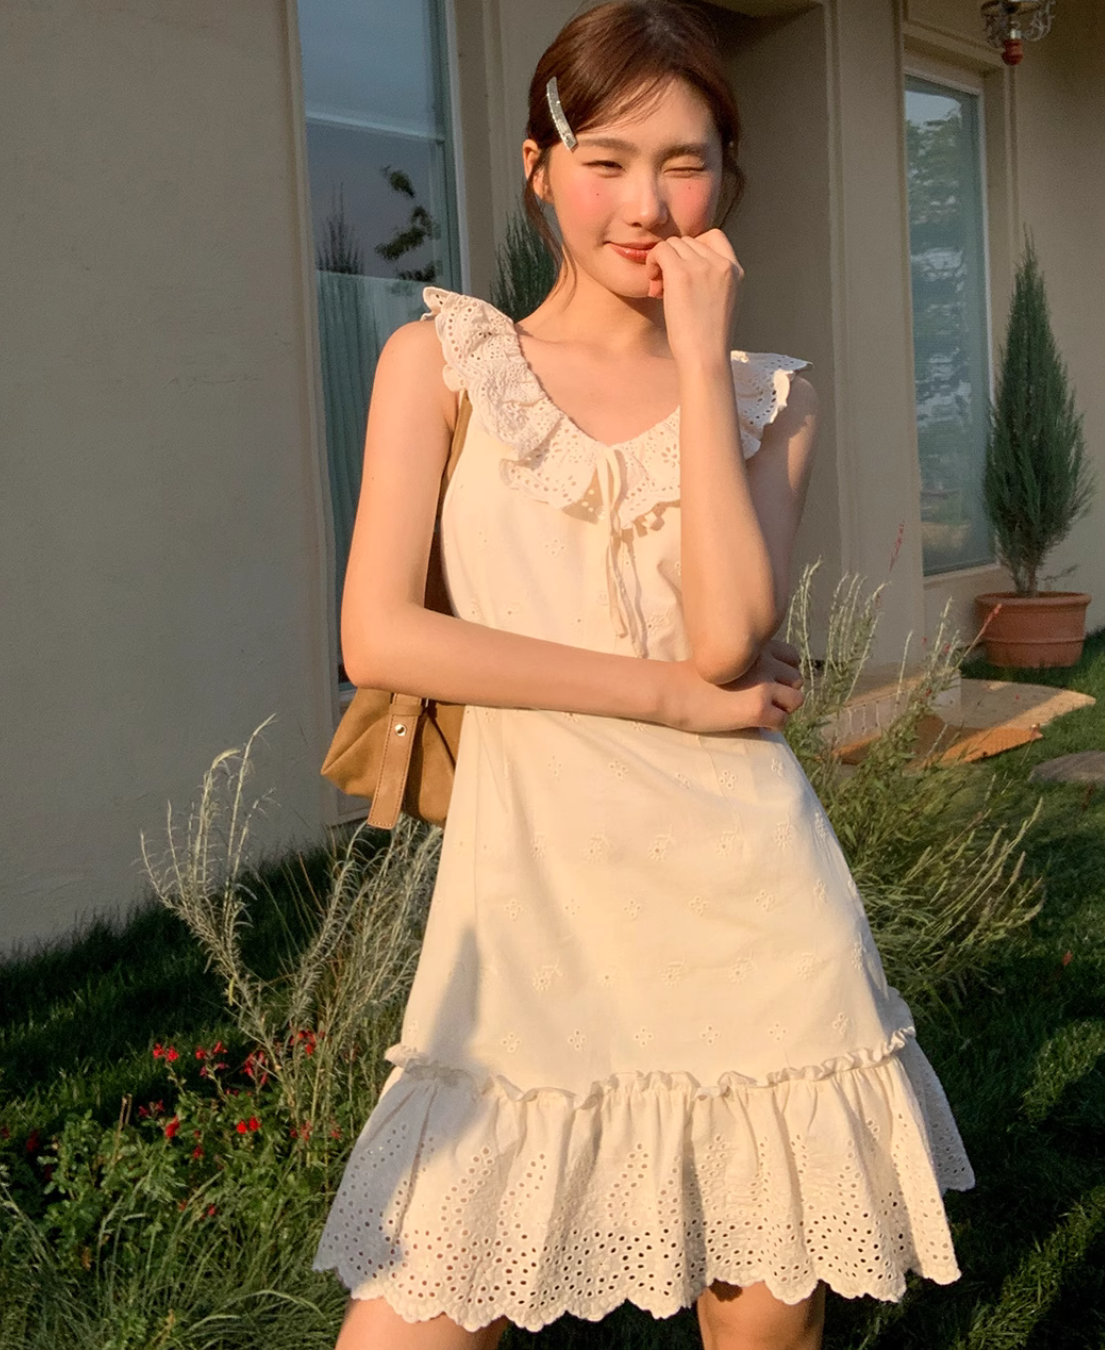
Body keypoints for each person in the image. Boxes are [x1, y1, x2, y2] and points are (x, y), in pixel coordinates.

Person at [313, 3, 975, 1347]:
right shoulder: (441, 364)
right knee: (410, 1315)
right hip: (531, 914)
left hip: (748, 914)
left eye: (685, 163)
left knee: (763, 1325)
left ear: (727, 176)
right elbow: (377, 636)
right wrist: (665, 695)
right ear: (537, 165)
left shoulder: (769, 399)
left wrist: (700, 354)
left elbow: (727, 635)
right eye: (607, 159)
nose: (647, 204)